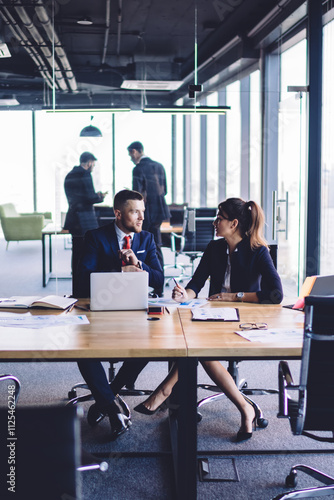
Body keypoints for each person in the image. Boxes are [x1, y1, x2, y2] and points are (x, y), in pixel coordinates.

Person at [134, 197, 283, 442]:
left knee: (199, 348)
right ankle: (240, 407)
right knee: (190, 340)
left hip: (244, 320)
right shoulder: (214, 248)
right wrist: (185, 294)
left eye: (219, 218)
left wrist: (235, 296)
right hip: (213, 316)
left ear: (234, 223)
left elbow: (276, 294)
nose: (214, 222)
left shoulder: (258, 250)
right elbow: (196, 283)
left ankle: (166, 391)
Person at [76, 189, 164, 440]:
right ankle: (113, 409)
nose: (141, 218)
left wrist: (138, 264)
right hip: (101, 312)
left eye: (143, 212)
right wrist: (118, 267)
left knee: (152, 345)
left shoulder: (146, 239)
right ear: (118, 214)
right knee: (83, 350)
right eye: (135, 212)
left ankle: (107, 396)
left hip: (137, 312)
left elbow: (159, 281)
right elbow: (82, 282)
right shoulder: (95, 238)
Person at [128, 141, 170, 297]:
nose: (131, 158)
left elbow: (136, 196)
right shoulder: (159, 166)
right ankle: (158, 287)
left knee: (139, 247)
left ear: (135, 151)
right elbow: (164, 190)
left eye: (130, 154)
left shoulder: (138, 169)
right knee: (155, 248)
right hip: (159, 211)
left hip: (145, 213)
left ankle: (140, 287)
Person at [64, 151, 107, 237]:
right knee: (88, 246)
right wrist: (100, 196)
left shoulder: (69, 175)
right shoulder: (85, 174)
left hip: (73, 217)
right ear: (89, 163)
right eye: (93, 164)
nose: (93, 167)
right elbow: (90, 197)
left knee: (77, 246)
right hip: (86, 218)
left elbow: (79, 195)